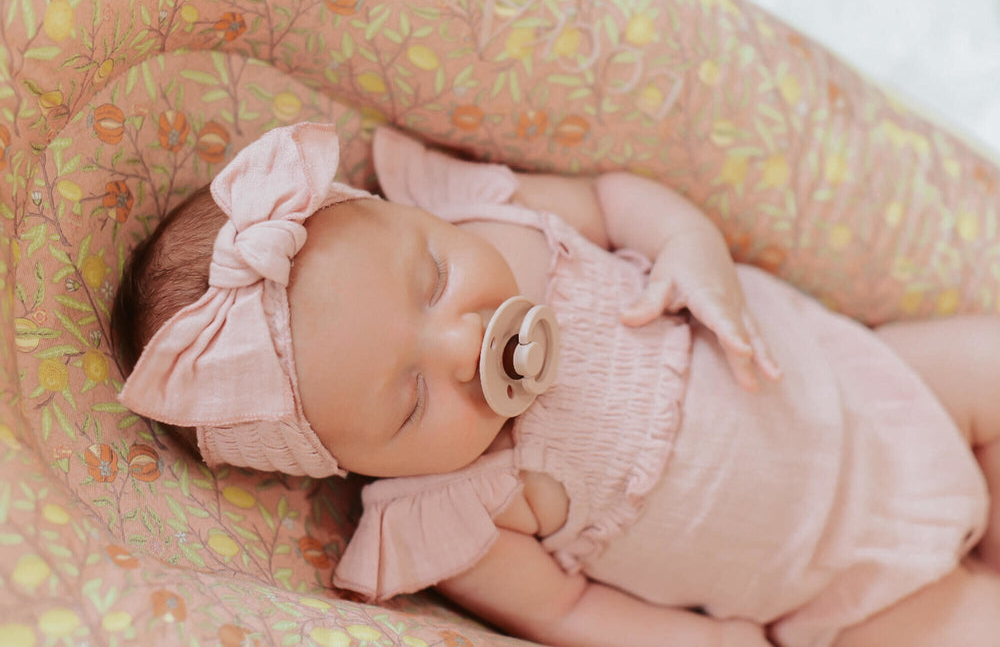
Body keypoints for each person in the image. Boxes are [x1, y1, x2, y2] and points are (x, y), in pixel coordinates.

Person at [112, 122, 1000, 647]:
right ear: (343, 465)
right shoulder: (457, 510)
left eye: (431, 281)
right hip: (845, 591)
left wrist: (691, 256)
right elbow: (573, 613)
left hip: (890, 389)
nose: (462, 343)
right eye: (412, 400)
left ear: (412, 215)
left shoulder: (509, 224)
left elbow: (620, 200)